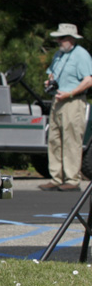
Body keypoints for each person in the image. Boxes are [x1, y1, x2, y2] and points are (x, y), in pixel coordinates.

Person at [42, 23, 92, 191]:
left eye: (62, 38)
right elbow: (52, 72)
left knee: (71, 140)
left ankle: (72, 179)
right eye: (58, 38)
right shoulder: (59, 54)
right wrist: (49, 81)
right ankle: (56, 177)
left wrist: (70, 94)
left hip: (73, 101)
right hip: (58, 100)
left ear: (71, 39)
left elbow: (88, 80)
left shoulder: (81, 55)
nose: (58, 41)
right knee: (54, 138)